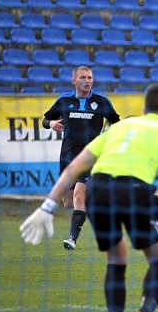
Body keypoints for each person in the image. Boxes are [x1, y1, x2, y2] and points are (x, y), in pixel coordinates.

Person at [21, 83, 158, 312]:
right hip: (135, 192)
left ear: (144, 110)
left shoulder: (118, 128)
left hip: (97, 192)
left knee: (117, 258)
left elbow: (75, 167)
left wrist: (47, 207)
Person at [42, 65, 120, 251]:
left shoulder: (102, 102)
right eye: (83, 77)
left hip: (90, 159)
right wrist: (51, 123)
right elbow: (45, 121)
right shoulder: (64, 101)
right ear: (74, 81)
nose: (87, 81)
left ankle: (72, 238)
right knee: (69, 202)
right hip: (67, 159)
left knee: (79, 195)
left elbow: (117, 124)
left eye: (90, 78)